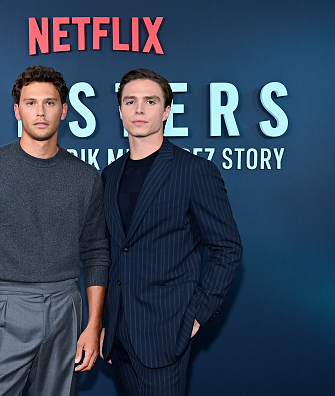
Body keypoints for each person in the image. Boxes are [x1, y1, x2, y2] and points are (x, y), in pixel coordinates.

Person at [0, 65, 109, 396]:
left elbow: (96, 253)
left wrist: (93, 325)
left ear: (64, 111)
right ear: (17, 110)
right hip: (6, 306)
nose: (40, 112)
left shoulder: (86, 176)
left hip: (66, 306)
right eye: (30, 102)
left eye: (49, 103)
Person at [100, 69, 243, 395]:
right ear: (120, 110)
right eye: (130, 101)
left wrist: (196, 315)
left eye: (150, 101)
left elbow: (227, 248)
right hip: (119, 336)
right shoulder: (109, 175)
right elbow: (112, 252)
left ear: (166, 111)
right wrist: (107, 322)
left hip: (165, 333)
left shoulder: (194, 171)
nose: (139, 110)